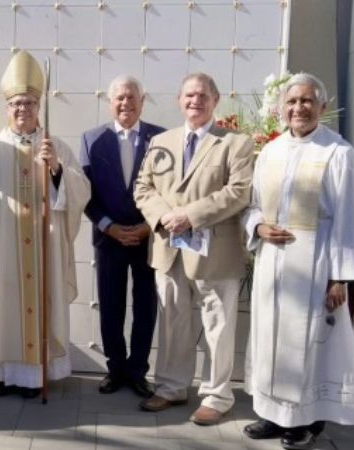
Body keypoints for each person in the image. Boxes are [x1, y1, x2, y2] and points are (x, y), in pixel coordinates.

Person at [0, 51, 90, 398]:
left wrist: (56, 169)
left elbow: (81, 192)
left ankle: (34, 377)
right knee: (5, 308)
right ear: (6, 107)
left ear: (39, 106)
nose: (22, 109)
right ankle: (6, 375)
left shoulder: (55, 146)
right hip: (4, 250)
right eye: (16, 103)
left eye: (29, 102)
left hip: (45, 248)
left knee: (41, 307)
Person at [241, 73, 354, 450]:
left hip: (315, 263)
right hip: (272, 263)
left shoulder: (338, 153)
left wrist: (340, 277)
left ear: (322, 107)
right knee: (270, 338)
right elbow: (253, 204)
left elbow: (347, 218)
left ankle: (306, 420)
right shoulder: (271, 151)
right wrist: (258, 226)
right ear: (282, 108)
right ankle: (272, 414)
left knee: (309, 342)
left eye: (307, 101)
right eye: (292, 102)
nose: (299, 108)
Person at [134, 73, 254, 425]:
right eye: (189, 95)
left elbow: (239, 192)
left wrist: (189, 215)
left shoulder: (236, 143)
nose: (195, 101)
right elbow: (143, 187)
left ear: (216, 100)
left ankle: (217, 396)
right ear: (179, 100)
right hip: (169, 246)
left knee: (217, 325)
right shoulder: (161, 141)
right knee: (173, 321)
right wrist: (165, 217)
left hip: (215, 251)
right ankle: (171, 387)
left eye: (203, 95)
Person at [80, 75, 165, 398]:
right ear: (110, 102)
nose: (126, 103)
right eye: (119, 98)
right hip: (109, 239)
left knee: (145, 307)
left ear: (142, 101)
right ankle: (115, 369)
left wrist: (148, 225)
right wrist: (109, 226)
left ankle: (138, 371)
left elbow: (168, 191)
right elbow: (85, 193)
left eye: (131, 97)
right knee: (111, 306)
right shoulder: (92, 139)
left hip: (148, 238)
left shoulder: (161, 138)